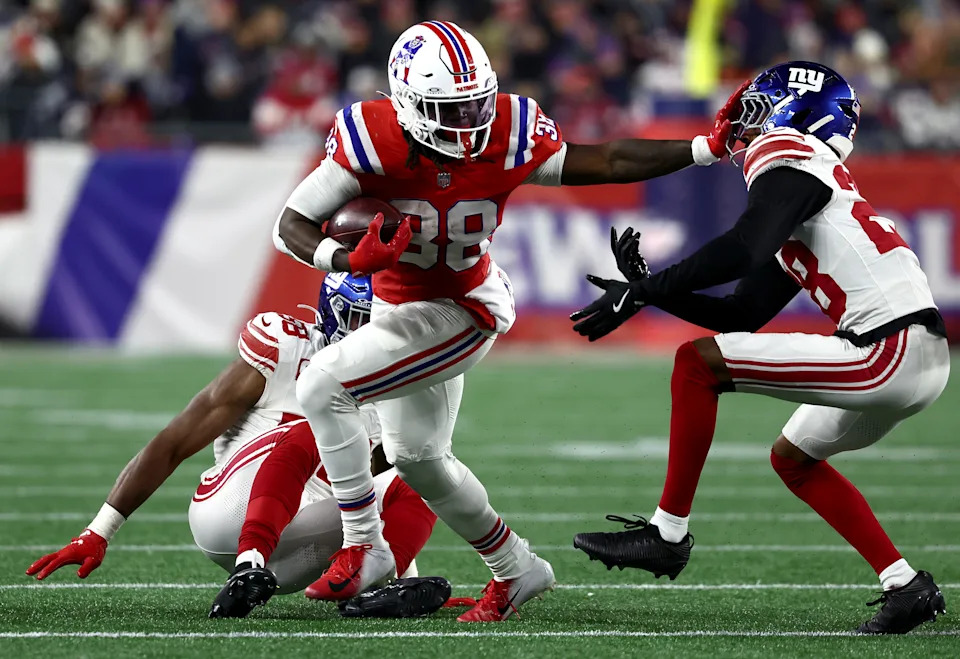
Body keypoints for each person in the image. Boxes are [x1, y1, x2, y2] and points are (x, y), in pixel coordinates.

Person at [271, 20, 746, 621]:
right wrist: (344, 259)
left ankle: (365, 545)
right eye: (452, 108)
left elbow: (608, 158)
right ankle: (517, 569)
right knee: (417, 457)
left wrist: (705, 147)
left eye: (476, 103)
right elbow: (290, 224)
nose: (470, 120)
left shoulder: (510, 128)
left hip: (463, 307)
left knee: (322, 384)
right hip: (398, 303)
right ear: (408, 102)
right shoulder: (372, 137)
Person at [570, 61, 949, 635]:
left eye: (754, 110)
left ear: (793, 112)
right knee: (793, 459)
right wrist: (649, 293)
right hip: (913, 353)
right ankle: (905, 584)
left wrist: (649, 288)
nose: (743, 127)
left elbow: (745, 247)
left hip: (887, 349)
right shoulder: (820, 188)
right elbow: (741, 312)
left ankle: (666, 534)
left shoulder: (792, 154)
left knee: (695, 364)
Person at [26, 274, 440, 618]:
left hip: (300, 545)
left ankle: (384, 591)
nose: (377, 334)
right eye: (366, 319)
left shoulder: (395, 386)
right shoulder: (286, 350)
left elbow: (389, 492)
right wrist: (99, 531)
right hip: (230, 514)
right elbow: (174, 441)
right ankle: (247, 565)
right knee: (321, 424)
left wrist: (400, 568)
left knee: (422, 467)